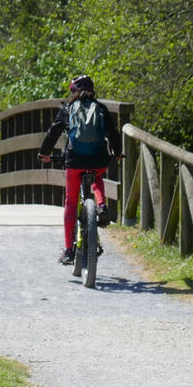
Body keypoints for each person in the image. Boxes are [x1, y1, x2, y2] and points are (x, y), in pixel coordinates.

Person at [38, 74, 123, 264]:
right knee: (97, 176)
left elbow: (53, 132)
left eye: (72, 91)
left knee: (70, 201)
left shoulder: (68, 109)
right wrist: (117, 152)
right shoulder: (101, 108)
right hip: (98, 161)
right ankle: (100, 205)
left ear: (76, 91)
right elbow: (114, 134)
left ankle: (69, 250)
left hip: (75, 162)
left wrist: (44, 152)